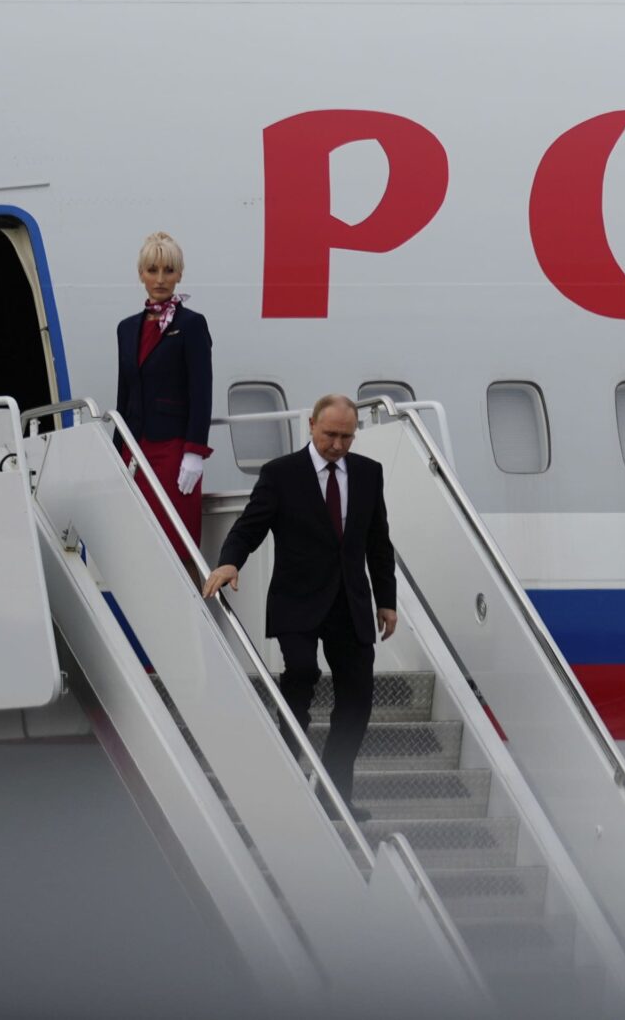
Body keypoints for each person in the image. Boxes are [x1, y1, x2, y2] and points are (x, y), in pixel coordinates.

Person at [202, 395, 398, 814]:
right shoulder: (281, 474)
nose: (338, 445)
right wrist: (229, 562)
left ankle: (333, 793)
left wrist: (387, 601)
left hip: (350, 601)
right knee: (303, 672)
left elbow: (378, 543)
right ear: (311, 425)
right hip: (297, 599)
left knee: (358, 697)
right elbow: (249, 525)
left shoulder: (368, 474)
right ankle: (288, 763)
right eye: (330, 435)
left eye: (347, 436)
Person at [115, 231, 214, 562]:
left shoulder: (192, 324)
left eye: (168, 271)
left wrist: (194, 452)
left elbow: (201, 390)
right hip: (136, 450)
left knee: (177, 542)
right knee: (138, 540)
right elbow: (124, 394)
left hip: (173, 451)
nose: (160, 279)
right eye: (152, 270)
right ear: (140, 274)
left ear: (179, 274)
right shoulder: (127, 328)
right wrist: (116, 451)